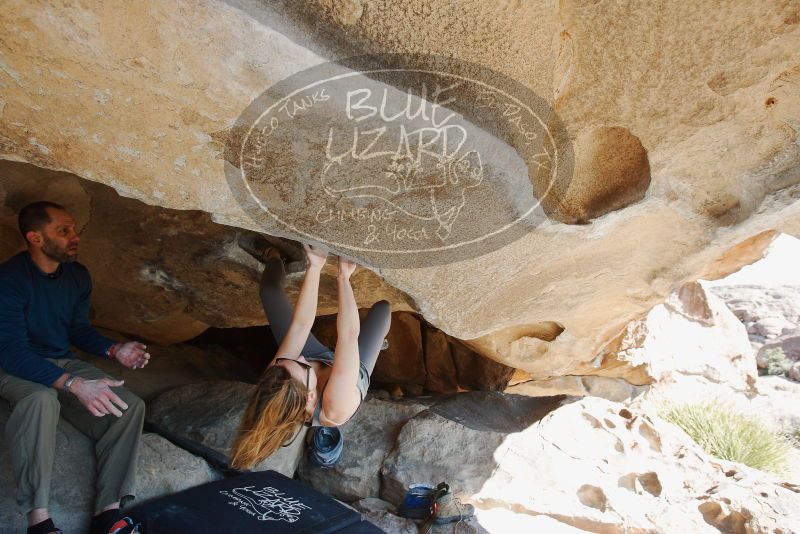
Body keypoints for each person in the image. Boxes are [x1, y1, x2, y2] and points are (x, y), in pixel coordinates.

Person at [0, 201, 150, 534]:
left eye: (74, 228)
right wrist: (76, 385)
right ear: (35, 238)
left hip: (61, 359)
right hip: (13, 365)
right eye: (63, 230)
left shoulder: (77, 275)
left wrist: (115, 350)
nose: (75, 236)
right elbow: (10, 352)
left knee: (128, 407)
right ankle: (39, 520)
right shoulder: (8, 280)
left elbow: (78, 329)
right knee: (40, 401)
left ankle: (108, 515)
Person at [230, 241, 391, 470]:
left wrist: (315, 266)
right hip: (350, 373)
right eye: (301, 366)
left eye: (287, 360)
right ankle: (378, 344)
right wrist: (343, 278)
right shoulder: (335, 406)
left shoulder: (278, 378)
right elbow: (348, 335)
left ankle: (275, 257)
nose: (300, 358)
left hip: (320, 362)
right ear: (310, 398)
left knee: (269, 292)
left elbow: (301, 326)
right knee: (383, 311)